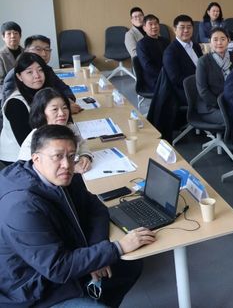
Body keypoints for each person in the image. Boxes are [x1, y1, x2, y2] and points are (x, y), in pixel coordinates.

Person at [0, 124, 156, 307]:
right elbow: (58, 268)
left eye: (71, 156)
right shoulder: (21, 207)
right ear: (36, 158)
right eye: (57, 156)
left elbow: (95, 208)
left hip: (63, 261)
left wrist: (97, 250)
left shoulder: (60, 176)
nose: (66, 165)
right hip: (34, 290)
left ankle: (94, 295)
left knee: (131, 266)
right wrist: (116, 248)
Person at [18, 88, 92, 172]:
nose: (62, 113)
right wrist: (71, 169)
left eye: (65, 108)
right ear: (42, 113)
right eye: (55, 109)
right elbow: (30, 171)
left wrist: (85, 156)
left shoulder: (69, 127)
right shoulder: (35, 140)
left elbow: (82, 143)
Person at [0, 53, 55, 163]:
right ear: (19, 76)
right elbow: (28, 144)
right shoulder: (15, 103)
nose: (37, 75)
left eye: (40, 70)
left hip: (43, 147)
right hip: (17, 159)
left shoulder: (44, 93)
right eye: (29, 72)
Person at [2, 34, 79, 112]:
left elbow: (63, 88)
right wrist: (60, 108)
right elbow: (15, 109)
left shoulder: (47, 69)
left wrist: (67, 101)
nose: (44, 54)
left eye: (47, 49)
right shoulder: (13, 76)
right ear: (26, 51)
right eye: (38, 49)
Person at [162, 14, 202, 106]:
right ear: (175, 29)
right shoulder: (170, 52)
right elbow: (176, 79)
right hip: (186, 91)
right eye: (182, 27)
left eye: (189, 27)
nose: (186, 30)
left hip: (201, 85)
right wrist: (201, 83)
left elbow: (202, 66)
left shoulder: (196, 46)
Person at [196, 27, 232, 125]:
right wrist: (222, 105)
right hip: (211, 106)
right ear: (210, 42)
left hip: (232, 101)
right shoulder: (203, 61)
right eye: (215, 40)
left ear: (228, 40)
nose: (219, 43)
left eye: (223, 39)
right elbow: (203, 91)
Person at [136, 14, 170, 93]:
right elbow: (147, 66)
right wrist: (164, 76)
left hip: (168, 74)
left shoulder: (166, 41)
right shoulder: (141, 44)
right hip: (154, 79)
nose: (154, 26)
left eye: (156, 24)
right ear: (144, 28)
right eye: (150, 24)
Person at [0, 21, 23, 94]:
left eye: (16, 33)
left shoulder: (26, 52)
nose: (13, 36)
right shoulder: (1, 55)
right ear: (3, 37)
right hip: (8, 92)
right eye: (9, 33)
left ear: (20, 36)